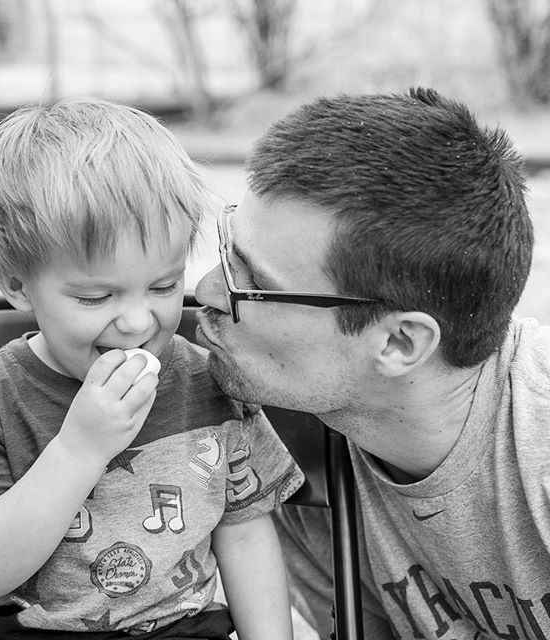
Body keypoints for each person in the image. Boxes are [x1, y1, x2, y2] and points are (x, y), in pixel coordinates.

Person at [0, 98, 304, 640]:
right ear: (16, 284)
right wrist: (80, 448)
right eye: (97, 297)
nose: (138, 321)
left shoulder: (208, 381)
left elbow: (243, 533)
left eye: (165, 286)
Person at [194, 87, 550, 639]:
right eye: (226, 251)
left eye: (255, 282)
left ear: (400, 344)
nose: (207, 290)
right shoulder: (287, 452)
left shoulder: (537, 452)